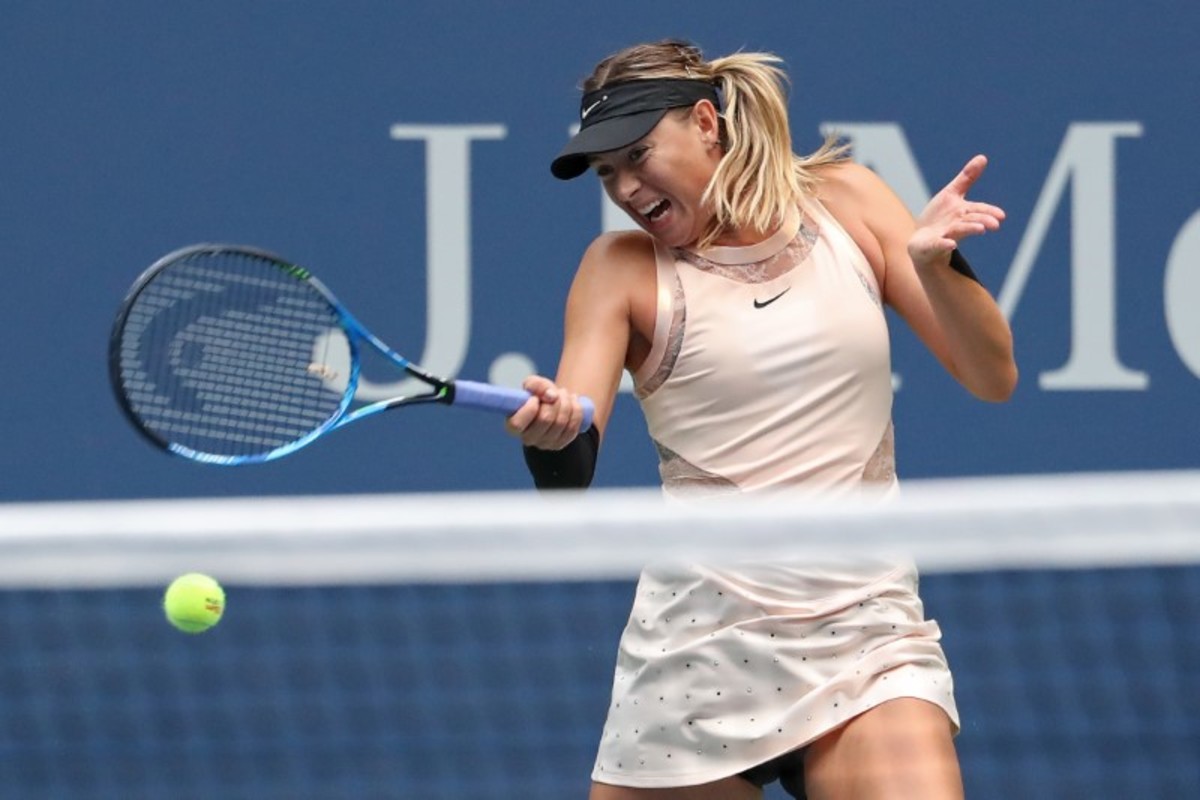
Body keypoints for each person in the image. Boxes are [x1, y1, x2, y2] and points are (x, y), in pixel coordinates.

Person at [507, 39, 1017, 800]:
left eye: (637, 155)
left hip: (865, 629)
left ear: (705, 123)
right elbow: (570, 459)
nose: (625, 187)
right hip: (698, 646)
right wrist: (550, 436)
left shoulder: (849, 202)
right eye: (607, 171)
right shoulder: (618, 269)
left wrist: (934, 270)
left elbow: (993, 376)